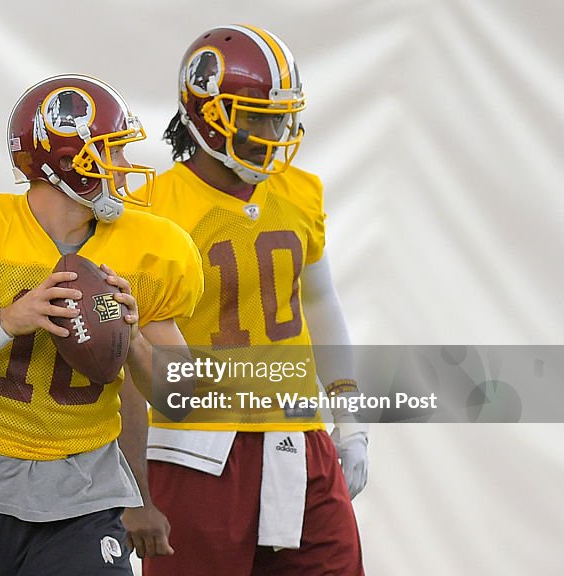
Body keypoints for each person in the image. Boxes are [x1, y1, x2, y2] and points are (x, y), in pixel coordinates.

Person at [0, 74, 204, 576]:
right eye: (113, 153)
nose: (126, 169)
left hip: (84, 496)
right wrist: (7, 321)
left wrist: (135, 339)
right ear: (71, 162)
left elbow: (185, 400)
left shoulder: (148, 251)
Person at [127, 25, 369, 575]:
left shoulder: (299, 191)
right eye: (255, 115)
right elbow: (127, 361)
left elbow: (322, 303)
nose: (272, 131)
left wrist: (349, 419)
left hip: (297, 433)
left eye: (280, 116)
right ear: (207, 113)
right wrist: (134, 485)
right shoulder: (151, 212)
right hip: (196, 450)